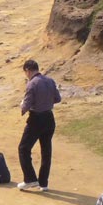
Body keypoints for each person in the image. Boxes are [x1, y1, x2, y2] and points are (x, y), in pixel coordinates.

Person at [16, 59, 61, 192]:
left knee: (23, 148)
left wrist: (22, 105)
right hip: (49, 118)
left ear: (28, 70)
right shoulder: (50, 81)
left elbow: (25, 107)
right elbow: (58, 99)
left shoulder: (32, 84)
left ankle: (30, 179)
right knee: (46, 151)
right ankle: (43, 183)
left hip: (36, 119)